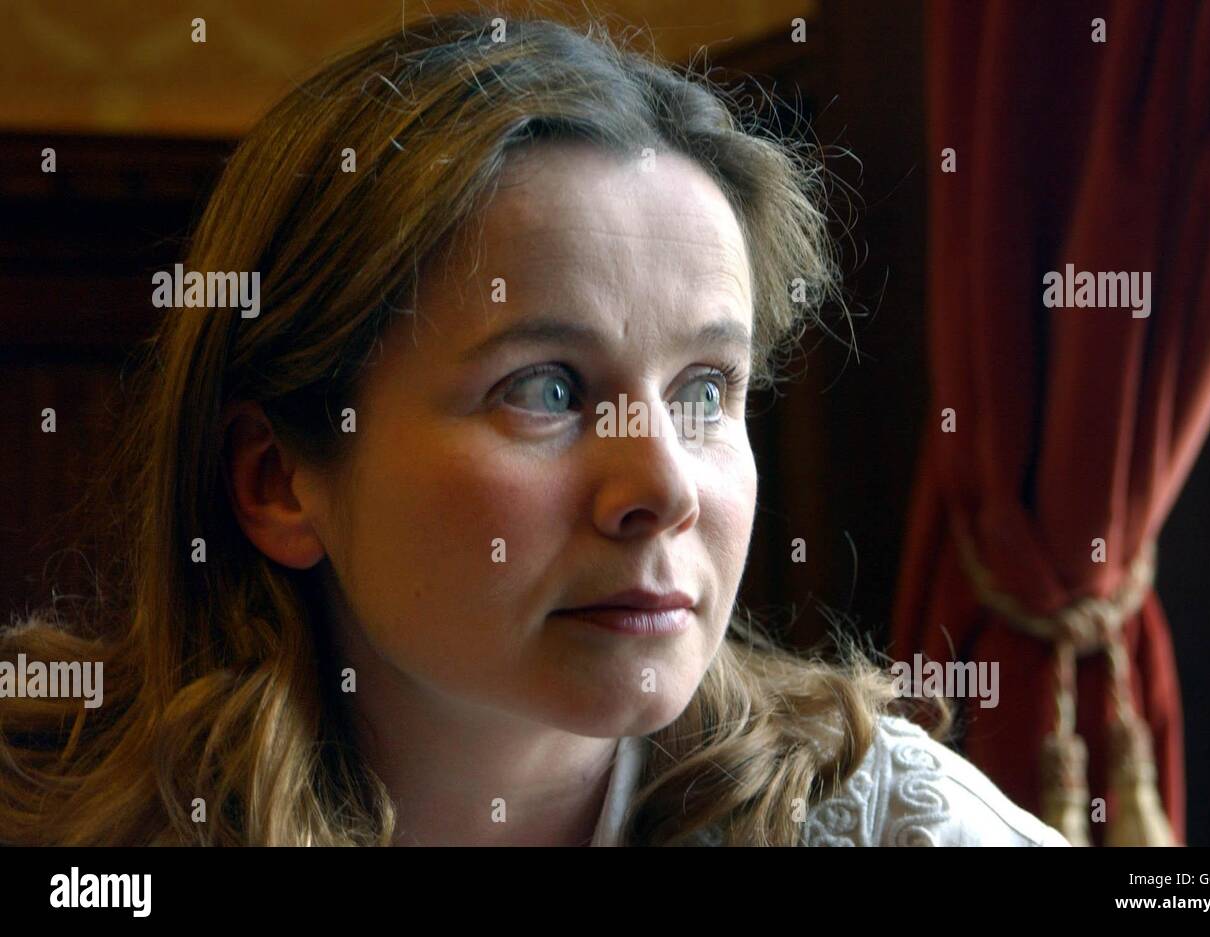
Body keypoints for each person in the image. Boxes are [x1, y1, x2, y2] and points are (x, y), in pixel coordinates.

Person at [0, 9, 1068, 847]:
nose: (664, 487)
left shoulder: (886, 826)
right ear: (280, 478)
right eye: (546, 389)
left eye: (704, 389)